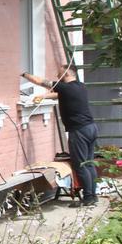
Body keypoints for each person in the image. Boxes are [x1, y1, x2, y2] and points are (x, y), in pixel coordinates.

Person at [21, 65, 98, 207]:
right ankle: (93, 195)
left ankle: (88, 198)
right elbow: (59, 94)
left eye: (60, 73)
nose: (57, 75)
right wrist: (42, 96)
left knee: (80, 165)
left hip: (79, 131)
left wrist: (23, 73)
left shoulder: (64, 87)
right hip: (91, 128)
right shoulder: (80, 86)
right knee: (89, 163)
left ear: (67, 74)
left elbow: (40, 81)